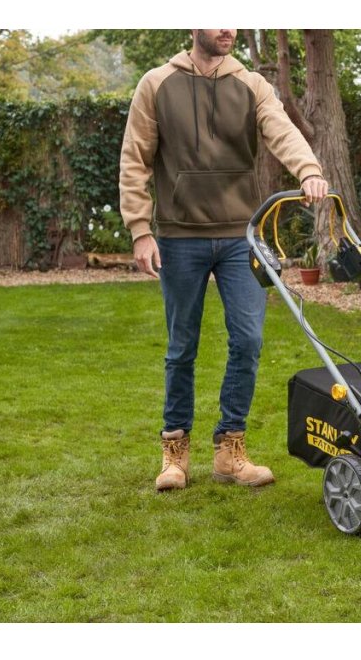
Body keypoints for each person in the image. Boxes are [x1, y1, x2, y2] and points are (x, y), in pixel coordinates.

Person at [119, 29, 328, 491]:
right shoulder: (157, 83)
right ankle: (175, 452)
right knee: (182, 346)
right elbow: (134, 159)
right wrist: (140, 229)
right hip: (179, 237)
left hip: (241, 237)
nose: (228, 29)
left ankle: (230, 450)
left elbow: (282, 130)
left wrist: (308, 170)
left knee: (248, 341)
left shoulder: (251, 84)